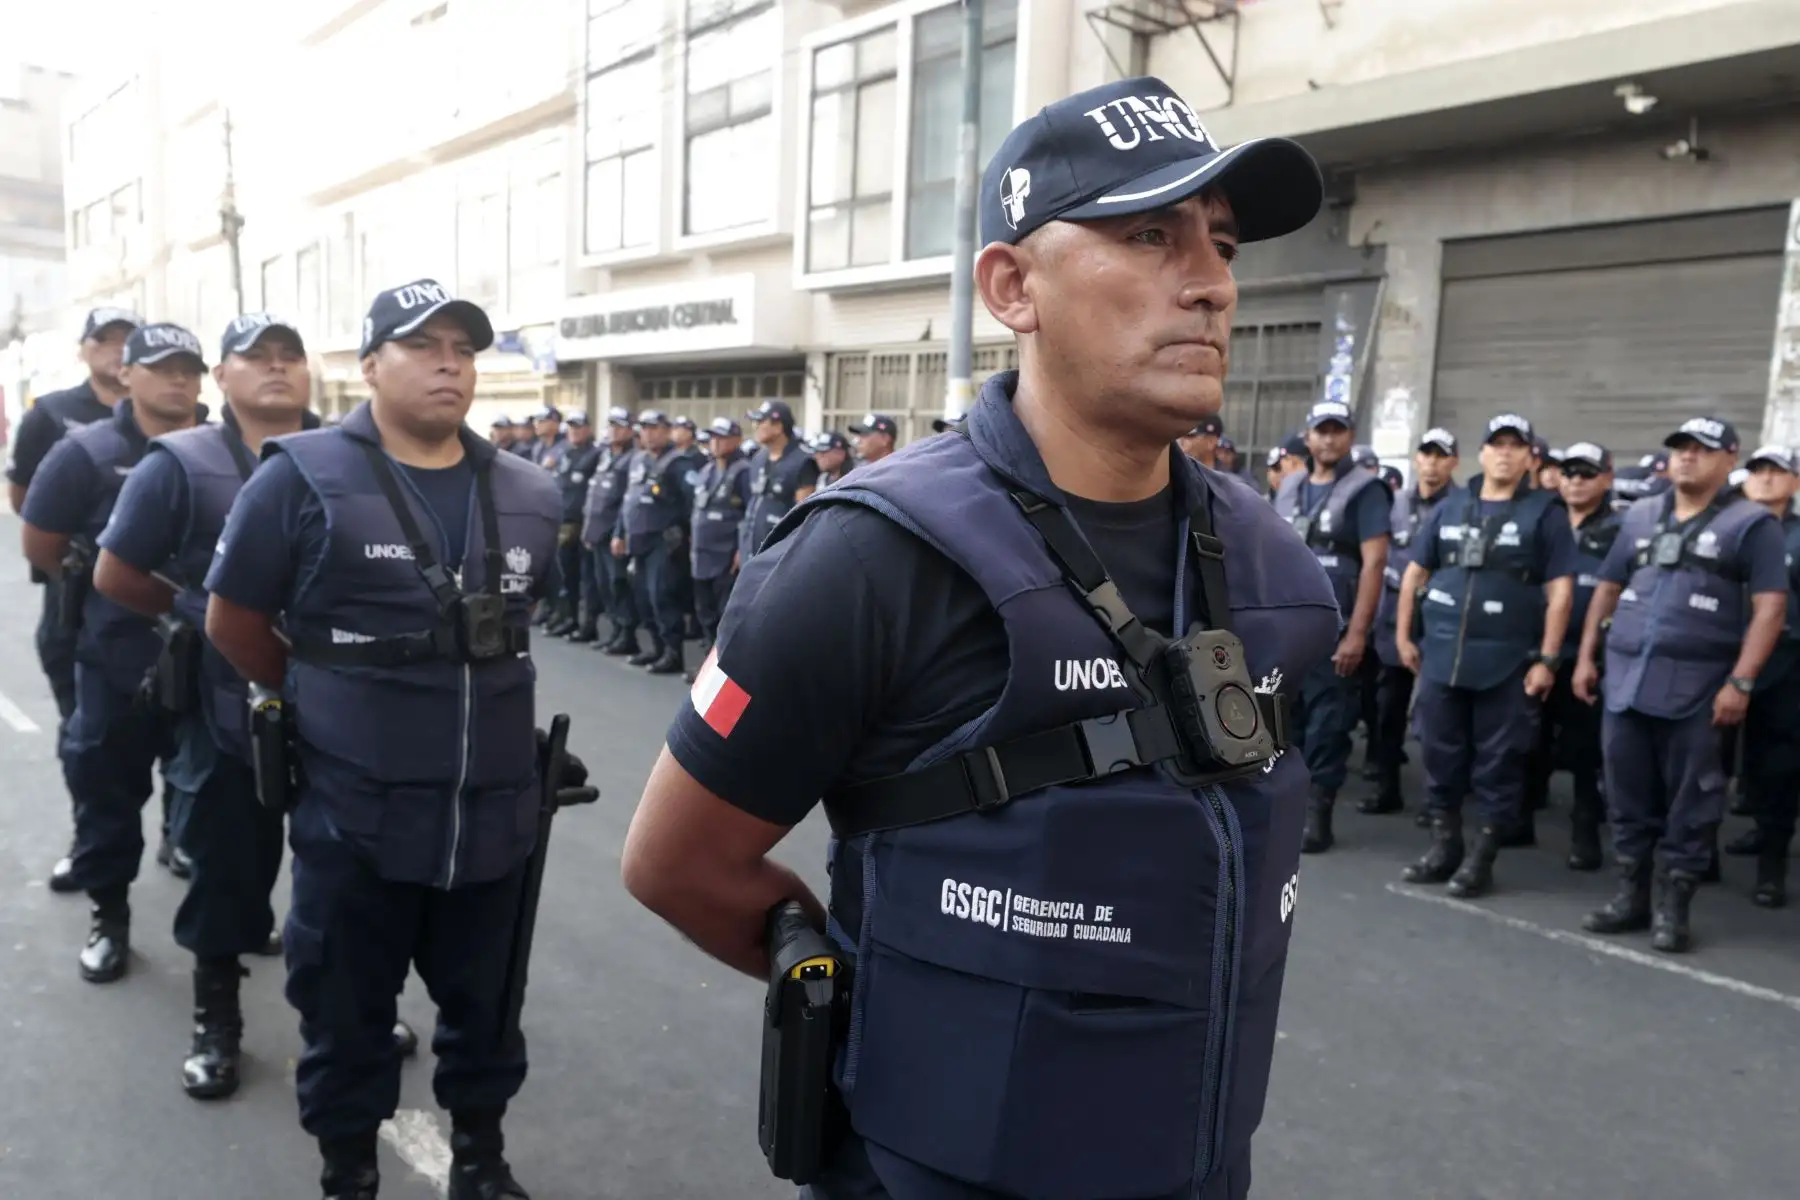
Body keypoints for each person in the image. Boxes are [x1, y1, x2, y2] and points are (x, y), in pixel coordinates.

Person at [621, 74, 1336, 1200]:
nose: (1206, 284)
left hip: (1198, 1165)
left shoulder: (1275, 568)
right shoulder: (865, 559)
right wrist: (883, 1000)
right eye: (1150, 235)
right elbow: (678, 862)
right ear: (1013, 287)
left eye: (1223, 244)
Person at [202, 279, 565, 1199]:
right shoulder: (302, 475)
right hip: (352, 813)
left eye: (465, 348)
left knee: (488, 1010)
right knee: (344, 1012)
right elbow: (235, 622)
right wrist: (333, 701)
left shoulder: (530, 490)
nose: (450, 363)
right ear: (369, 365)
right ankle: (349, 1171)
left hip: (493, 819)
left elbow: (516, 630)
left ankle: (480, 1160)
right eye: (424, 345)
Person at [90, 313, 342, 1095]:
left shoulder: (353, 456)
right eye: (253, 358)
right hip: (229, 709)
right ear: (221, 379)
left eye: (288, 357)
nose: (275, 369)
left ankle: (345, 1009)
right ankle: (218, 1015)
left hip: (343, 710)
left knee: (348, 875)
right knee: (228, 871)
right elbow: (116, 573)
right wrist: (204, 616)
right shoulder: (182, 462)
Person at [19, 322, 206, 981]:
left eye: (190, 367)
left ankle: (216, 918)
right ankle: (111, 916)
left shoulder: (226, 449)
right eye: (162, 366)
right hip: (118, 658)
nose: (178, 379)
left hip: (211, 662)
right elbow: (42, 545)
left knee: (222, 802)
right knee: (106, 795)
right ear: (127, 374)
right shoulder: (86, 453)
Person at [1573, 417, 1788, 953]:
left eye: (1702, 450)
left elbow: (1770, 609)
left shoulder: (1750, 525)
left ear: (1730, 459)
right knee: (1626, 794)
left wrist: (1740, 682)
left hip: (1697, 687)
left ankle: (1674, 907)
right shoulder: (1643, 514)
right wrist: (1585, 658)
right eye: (1680, 449)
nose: (1687, 458)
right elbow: (1608, 585)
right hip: (1626, 680)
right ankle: (1631, 898)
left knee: (1692, 802)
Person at [1394, 413, 1576, 897]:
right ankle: (1445, 846)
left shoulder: (1546, 514)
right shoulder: (1452, 506)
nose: (1505, 453)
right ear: (1482, 452)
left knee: (1499, 764)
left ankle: (1481, 858)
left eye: (1516, 446)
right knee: (1438, 754)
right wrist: (1404, 636)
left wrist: (1548, 659)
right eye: (1497, 444)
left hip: (1507, 663)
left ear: (1530, 459)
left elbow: (1561, 592)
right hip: (1442, 656)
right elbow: (1415, 573)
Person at [1274, 399, 1391, 853]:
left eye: (1337, 430)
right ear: (1308, 436)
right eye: (1321, 430)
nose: (1328, 438)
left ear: (1350, 437)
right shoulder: (1290, 487)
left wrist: (1358, 633)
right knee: (1286, 720)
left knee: (1329, 722)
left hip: (1336, 628)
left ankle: (1318, 813)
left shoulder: (1366, 490)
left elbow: (1375, 562)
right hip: (1289, 627)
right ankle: (1287, 806)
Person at [1525, 441, 1619, 869]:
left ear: (1607, 478)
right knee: (1529, 741)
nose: (1576, 481)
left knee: (1584, 751)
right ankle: (1518, 820)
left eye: (1586, 473)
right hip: (1539, 648)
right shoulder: (1544, 520)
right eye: (1569, 472)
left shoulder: (1621, 529)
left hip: (1589, 654)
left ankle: (1585, 833)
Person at [1721, 444, 1800, 908]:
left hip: (1785, 667)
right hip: (1719, 657)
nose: (1766, 479)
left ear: (1794, 482)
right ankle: (1699, 858)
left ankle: (1772, 864)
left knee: (1777, 768)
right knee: (1710, 765)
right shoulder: (1727, 528)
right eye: (1758, 471)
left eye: (1777, 471)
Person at [1366, 428, 1458, 818]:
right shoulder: (1395, 504)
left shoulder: (1461, 505)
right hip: (1395, 617)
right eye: (1427, 454)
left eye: (1441, 456)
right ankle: (1387, 788)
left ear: (1453, 462)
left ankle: (1439, 801)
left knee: (1440, 717)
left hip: (1441, 617)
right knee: (1388, 710)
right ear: (1416, 459)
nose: (1433, 463)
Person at [612, 410, 692, 674]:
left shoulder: (678, 462)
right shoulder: (639, 460)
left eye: (654, 427)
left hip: (663, 542)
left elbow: (692, 503)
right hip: (638, 540)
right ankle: (656, 646)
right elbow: (629, 500)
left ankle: (672, 652)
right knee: (643, 597)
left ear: (667, 430)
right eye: (644, 428)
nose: (648, 432)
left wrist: (685, 533)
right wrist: (619, 532)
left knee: (662, 597)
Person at [686, 417, 752, 684]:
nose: (715, 442)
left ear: (736, 440)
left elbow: (750, 513)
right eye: (712, 437)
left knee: (725, 616)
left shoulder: (743, 471)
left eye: (722, 437)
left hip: (726, 555)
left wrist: (741, 549)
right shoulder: (707, 470)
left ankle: (724, 673)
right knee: (705, 613)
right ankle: (708, 667)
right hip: (702, 554)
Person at [583, 407, 642, 656]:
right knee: (604, 584)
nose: (614, 431)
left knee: (618, 584)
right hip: (597, 533)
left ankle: (627, 634)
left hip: (613, 534)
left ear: (630, 430)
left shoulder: (633, 459)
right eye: (611, 426)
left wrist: (620, 532)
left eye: (620, 426)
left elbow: (626, 502)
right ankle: (616, 631)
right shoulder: (606, 455)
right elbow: (594, 496)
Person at [740, 399, 819, 565]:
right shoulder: (758, 458)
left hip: (780, 555)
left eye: (761, 421)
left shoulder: (802, 461)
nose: (755, 426)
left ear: (778, 426)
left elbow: (803, 517)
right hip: (751, 549)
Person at [548, 411, 600, 638]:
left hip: (584, 525)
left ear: (588, 429)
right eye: (571, 427)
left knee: (587, 579)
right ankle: (569, 618)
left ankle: (588, 625)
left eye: (579, 427)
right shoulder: (565, 453)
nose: (575, 431)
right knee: (566, 576)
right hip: (564, 523)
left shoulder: (596, 454)